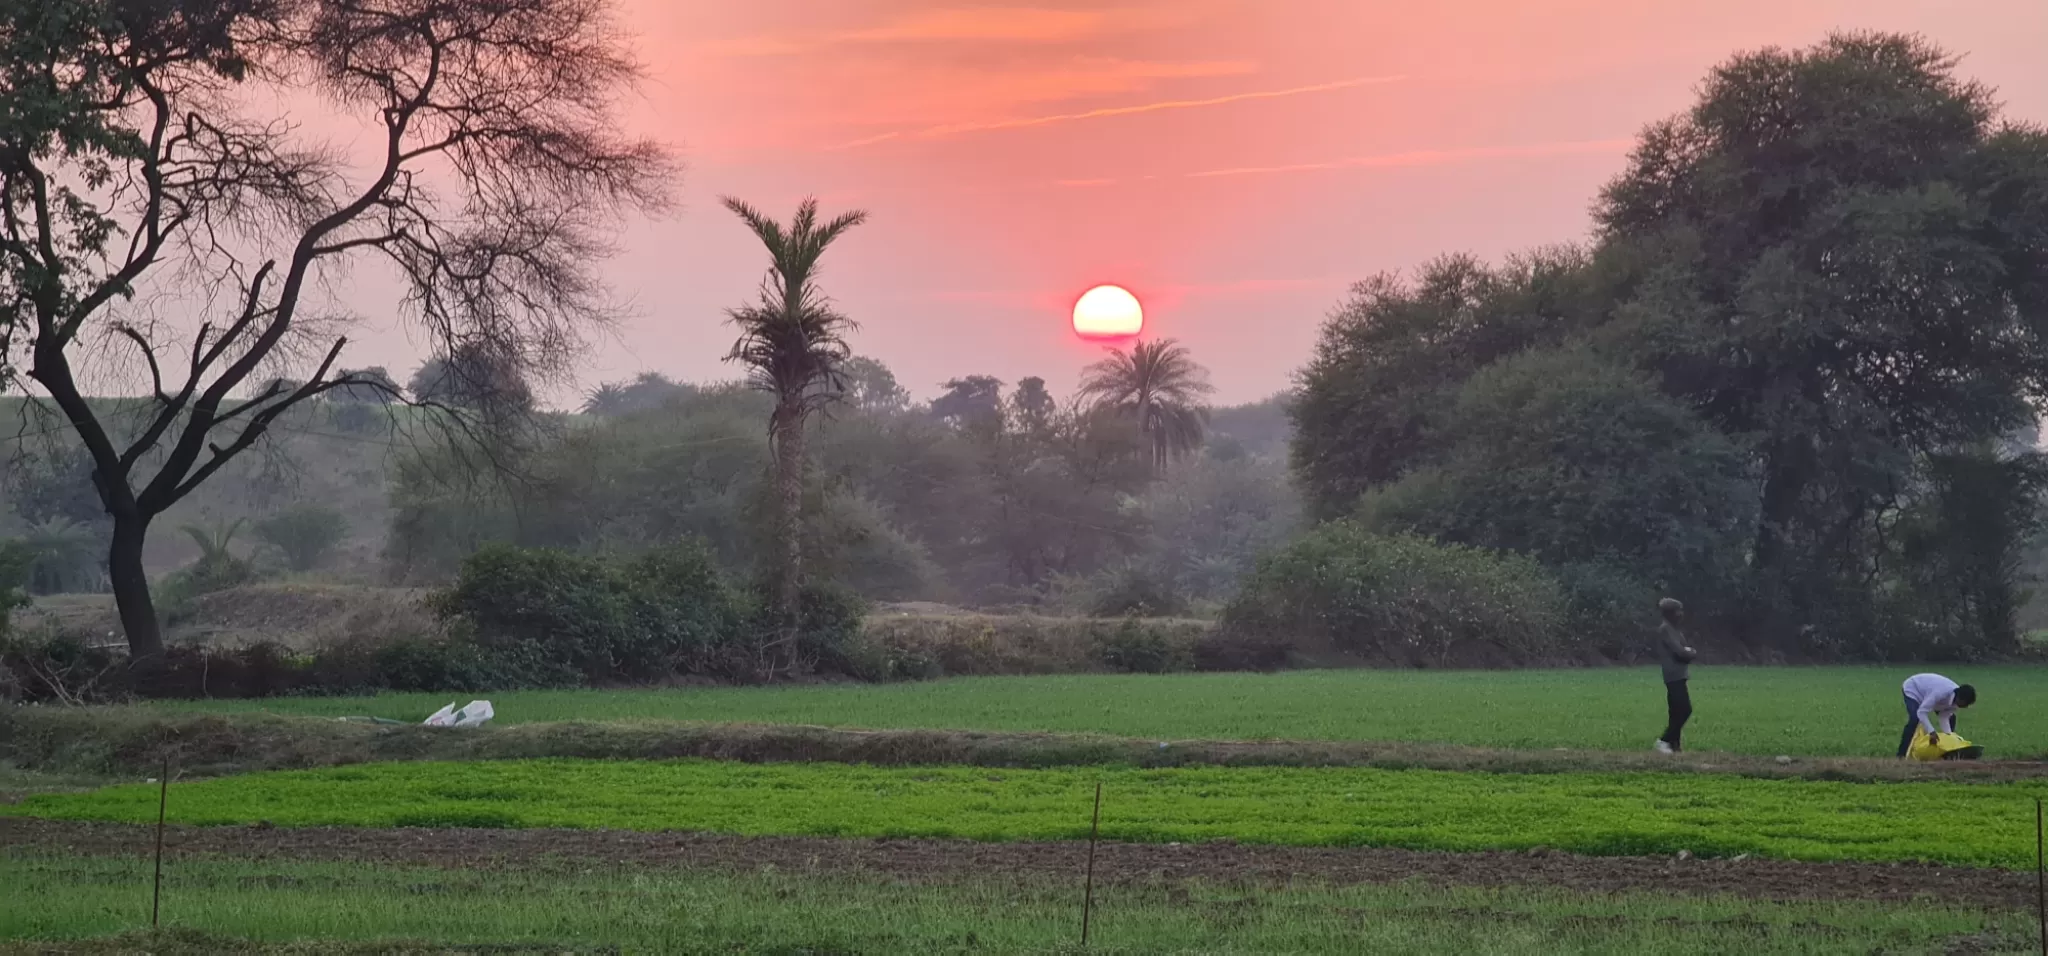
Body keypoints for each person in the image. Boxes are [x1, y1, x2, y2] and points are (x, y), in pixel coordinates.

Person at [1653, 598, 1696, 754]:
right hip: (1673, 675)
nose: (1681, 614)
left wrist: (1688, 652)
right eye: (1678, 611)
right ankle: (1663, 740)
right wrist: (1690, 652)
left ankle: (1674, 745)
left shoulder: (1675, 629)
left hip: (1680, 674)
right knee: (1685, 709)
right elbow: (1680, 651)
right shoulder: (1665, 629)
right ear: (1670, 613)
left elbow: (1684, 649)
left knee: (1676, 711)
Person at [1898, 673, 1975, 759]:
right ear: (1960, 699)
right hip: (1914, 688)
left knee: (1952, 719)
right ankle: (1901, 754)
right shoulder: (1941, 693)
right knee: (1914, 719)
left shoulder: (1955, 701)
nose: (1966, 706)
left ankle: (1948, 751)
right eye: (1966, 703)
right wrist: (1931, 732)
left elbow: (1944, 717)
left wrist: (1949, 736)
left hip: (1931, 694)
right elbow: (1922, 712)